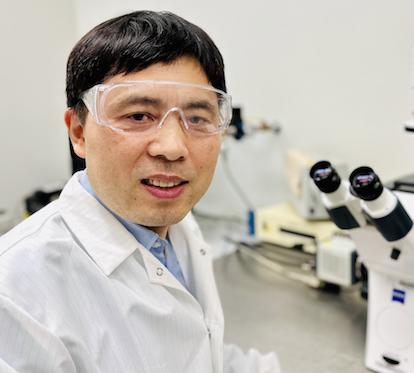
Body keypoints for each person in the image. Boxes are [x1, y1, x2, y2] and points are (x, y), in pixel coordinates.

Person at [0, 10, 281, 373]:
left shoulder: (174, 227)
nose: (172, 146)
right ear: (79, 133)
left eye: (197, 118)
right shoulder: (14, 296)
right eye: (137, 116)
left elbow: (197, 350)